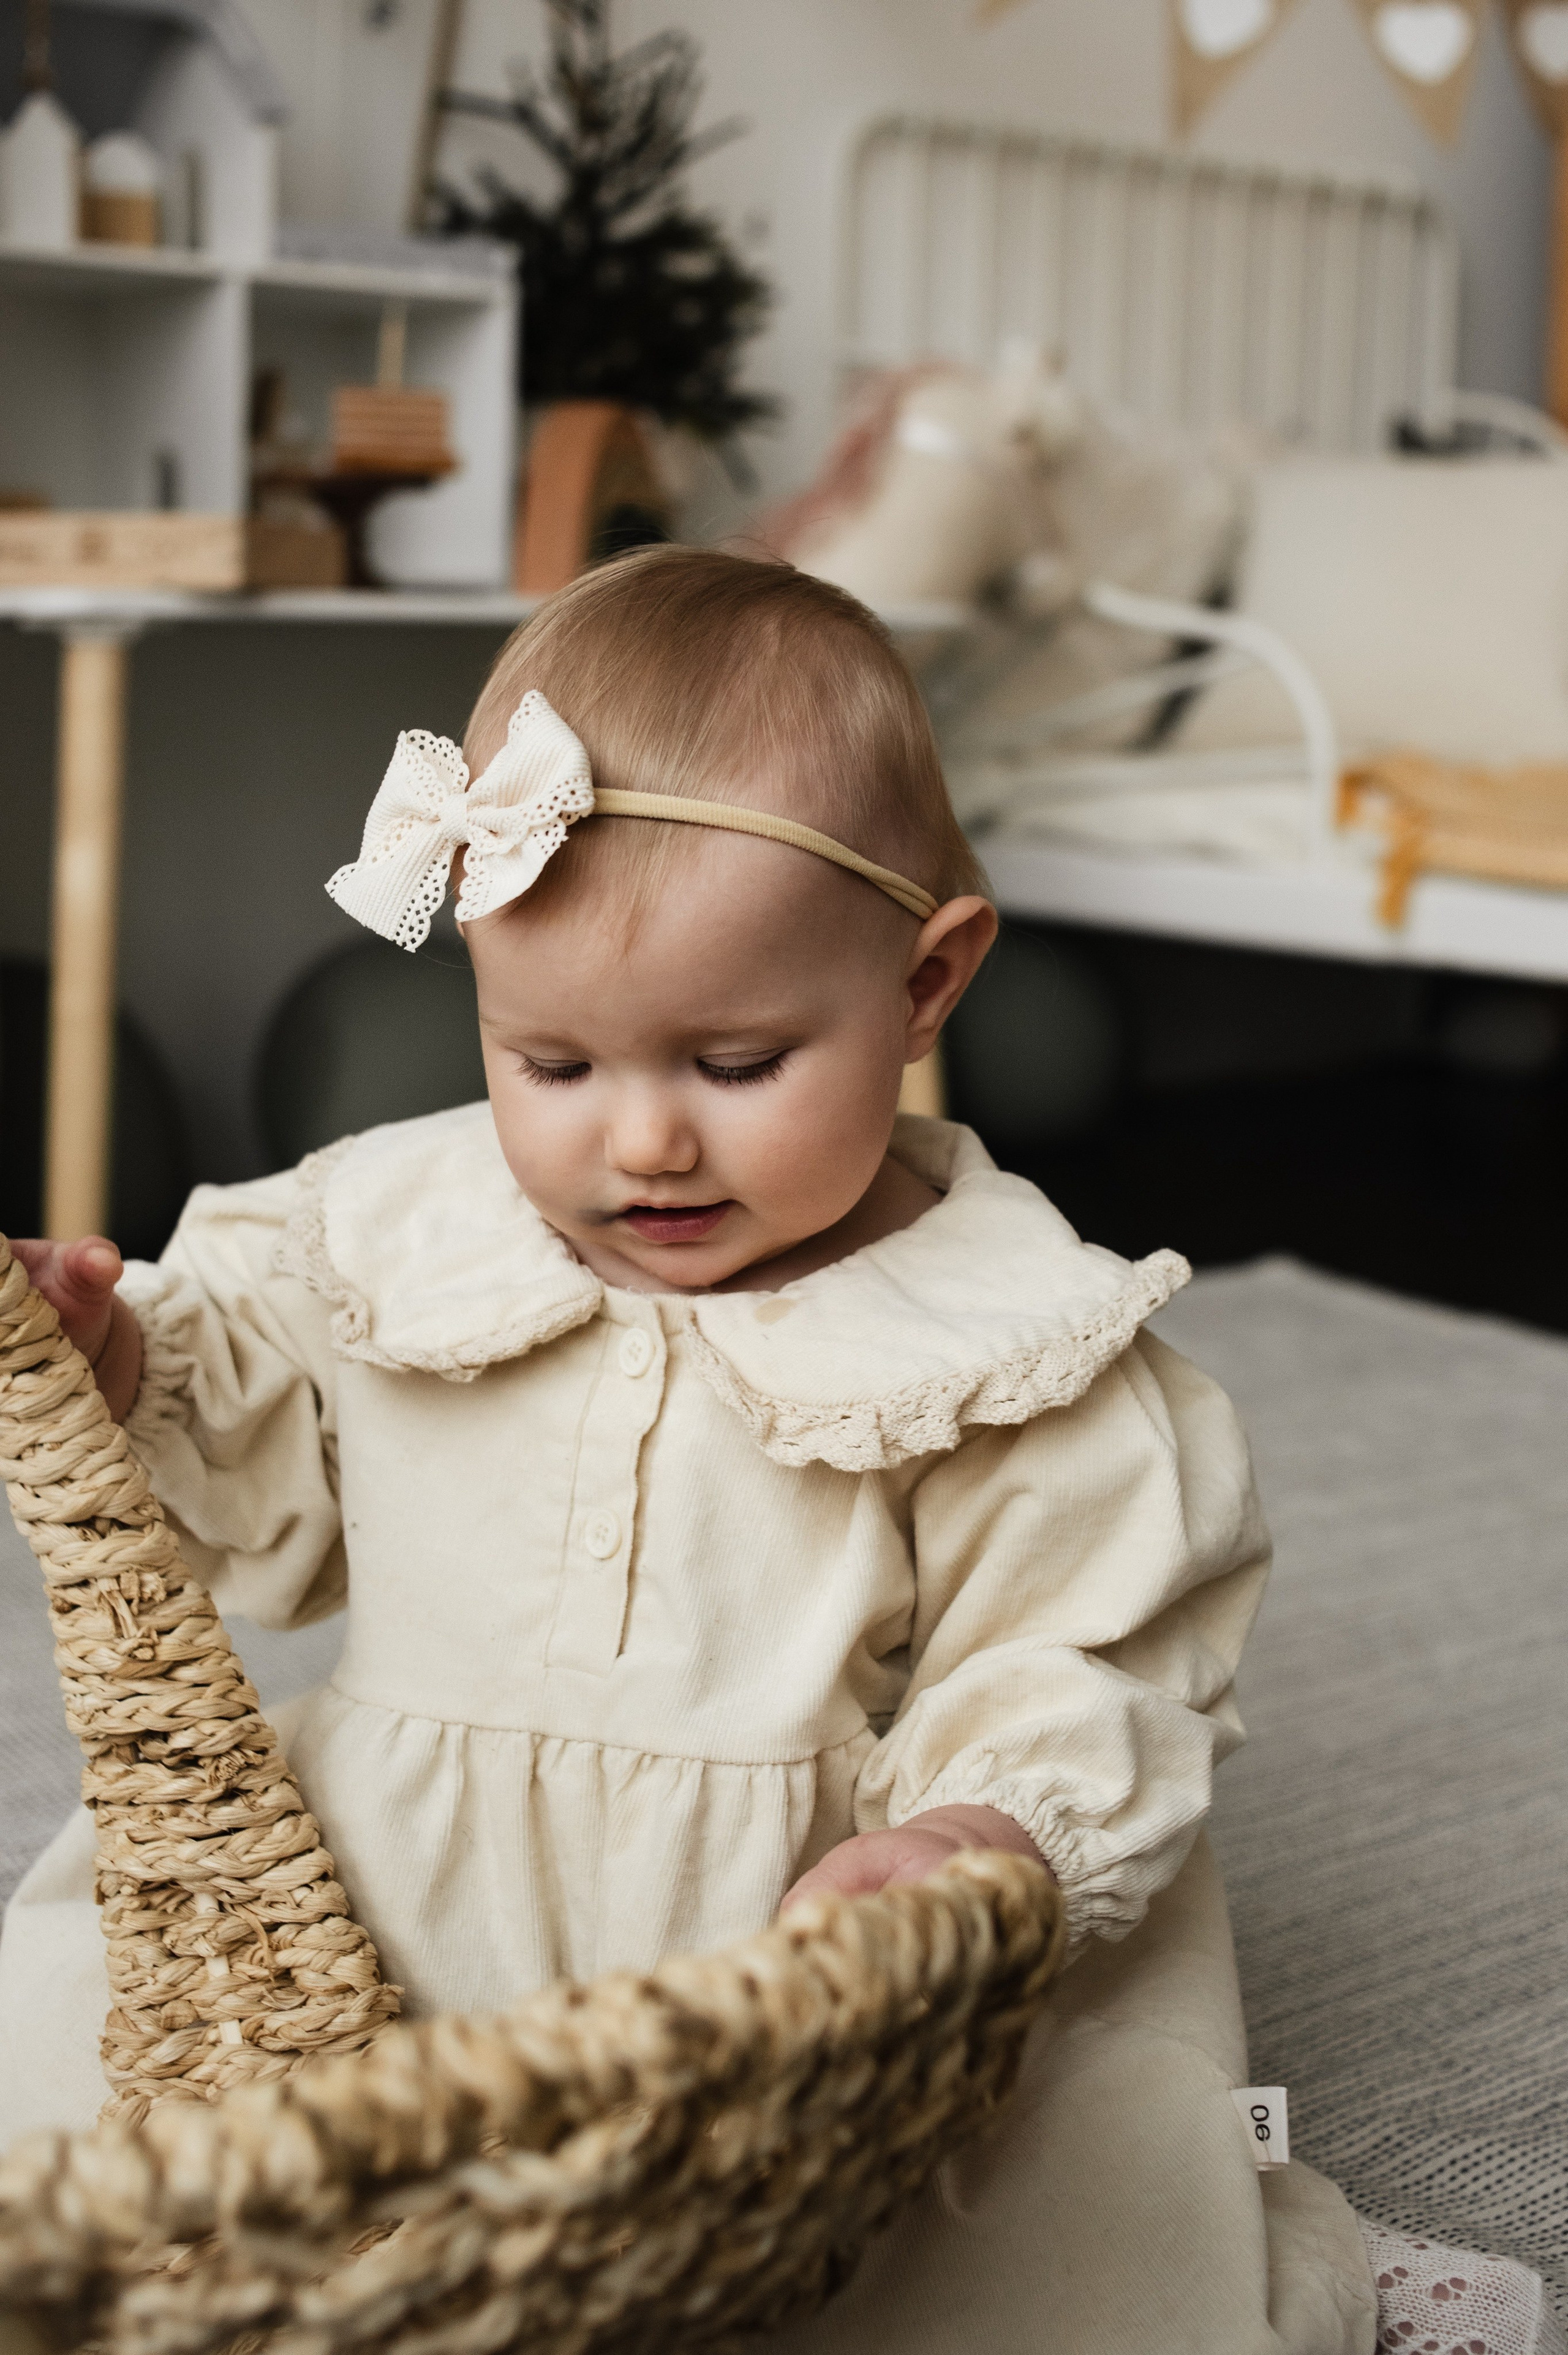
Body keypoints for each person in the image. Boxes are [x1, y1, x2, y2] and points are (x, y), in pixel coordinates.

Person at [0, 550, 1376, 2353]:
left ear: (928, 979)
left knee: (1038, 2242)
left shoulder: (996, 1342)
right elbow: (259, 1427)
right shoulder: (403, 1230)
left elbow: (1085, 1641)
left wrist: (986, 1829)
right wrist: (126, 1352)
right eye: (546, 1057)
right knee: (89, 2082)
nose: (640, 1138)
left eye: (737, 1058)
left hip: (787, 1979)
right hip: (375, 1923)